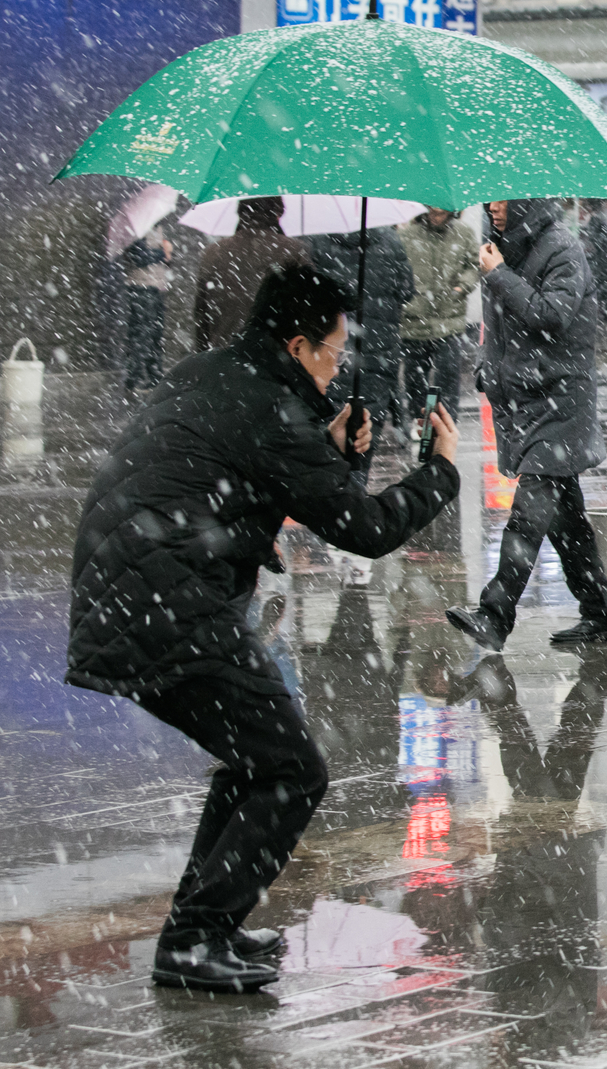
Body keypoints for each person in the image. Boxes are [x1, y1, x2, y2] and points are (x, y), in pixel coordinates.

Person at [66, 266, 459, 991]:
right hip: (168, 603)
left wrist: (332, 451)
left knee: (257, 760)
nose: (338, 365)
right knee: (292, 770)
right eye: (334, 353)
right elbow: (364, 528)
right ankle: (192, 942)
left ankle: (202, 931)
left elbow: (261, 478)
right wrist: (441, 471)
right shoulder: (274, 412)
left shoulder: (214, 372)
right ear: (299, 344)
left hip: (129, 592)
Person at [447, 198, 607, 651]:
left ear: (528, 202)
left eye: (504, 199)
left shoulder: (561, 249)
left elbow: (551, 316)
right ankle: (601, 612)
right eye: (490, 200)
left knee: (529, 514)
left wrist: (500, 275)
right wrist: (490, 369)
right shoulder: (502, 247)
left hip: (560, 401)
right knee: (568, 522)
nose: (494, 206)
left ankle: (495, 614)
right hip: (527, 401)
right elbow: (503, 328)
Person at [306, 225, 415, 448]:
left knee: (331, 446)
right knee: (363, 444)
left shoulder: (316, 240)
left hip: (332, 358)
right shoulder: (390, 240)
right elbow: (407, 290)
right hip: (379, 357)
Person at [193, 196, 311, 351]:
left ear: (240, 212)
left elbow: (201, 315)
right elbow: (310, 312)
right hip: (277, 359)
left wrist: (203, 357)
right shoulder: (294, 251)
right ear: (278, 214)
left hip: (223, 357)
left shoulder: (214, 252)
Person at [397, 208, 480, 424]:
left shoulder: (464, 234)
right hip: (414, 321)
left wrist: (460, 288)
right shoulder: (407, 236)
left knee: (448, 379)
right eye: (431, 206)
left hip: (449, 321)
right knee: (415, 381)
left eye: (440, 207)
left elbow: (473, 266)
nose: (436, 211)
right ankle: (419, 424)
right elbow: (397, 270)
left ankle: (446, 427)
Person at [121, 228, 172, 391]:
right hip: (142, 287)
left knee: (155, 333)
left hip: (156, 287)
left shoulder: (157, 229)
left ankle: (154, 376)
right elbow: (139, 257)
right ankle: (134, 378)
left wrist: (166, 255)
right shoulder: (138, 229)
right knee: (142, 333)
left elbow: (163, 261)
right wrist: (163, 253)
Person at [579, 199, 607, 337]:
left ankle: (595, 331)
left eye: (582, 210)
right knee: (606, 307)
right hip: (606, 273)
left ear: (588, 211)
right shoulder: (606, 228)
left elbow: (589, 253)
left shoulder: (590, 230)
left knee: (592, 307)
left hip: (594, 274)